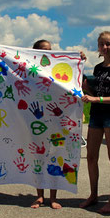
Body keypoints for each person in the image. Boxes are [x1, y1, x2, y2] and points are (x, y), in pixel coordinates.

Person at [80, 32, 110, 213]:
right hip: (96, 116)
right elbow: (96, 95)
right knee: (91, 156)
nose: (104, 47)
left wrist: (97, 99)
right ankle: (93, 195)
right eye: (101, 44)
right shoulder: (98, 68)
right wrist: (89, 92)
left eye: (108, 43)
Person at [31, 39, 63, 209]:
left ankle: (53, 197)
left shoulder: (55, 70)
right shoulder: (29, 70)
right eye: (44, 50)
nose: (48, 53)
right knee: (38, 158)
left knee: (55, 159)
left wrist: (79, 60)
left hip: (54, 122)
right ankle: (39, 196)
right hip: (35, 121)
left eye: (50, 50)